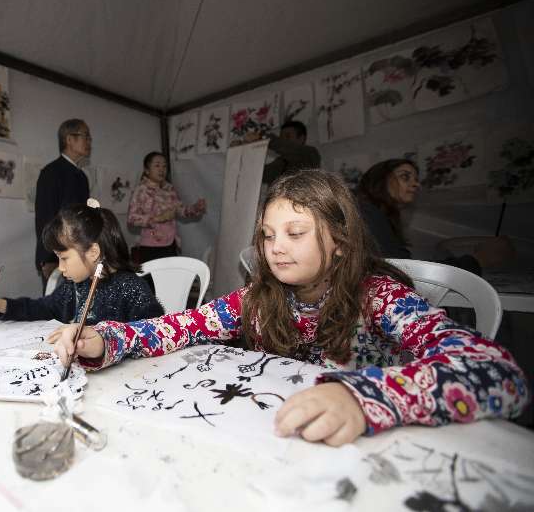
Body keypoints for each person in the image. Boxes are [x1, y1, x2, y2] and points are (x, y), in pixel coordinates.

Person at [49, 170, 528, 447]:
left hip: (373, 447)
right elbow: (181, 326)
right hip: (281, 439)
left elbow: (497, 372)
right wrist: (108, 338)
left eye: (295, 234)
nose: (276, 248)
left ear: (339, 242)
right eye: (268, 235)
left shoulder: (377, 296)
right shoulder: (258, 298)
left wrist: (363, 398)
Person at [0, 200, 164, 324]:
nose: (60, 267)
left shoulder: (131, 288)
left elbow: (153, 334)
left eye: (64, 258)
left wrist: (104, 340)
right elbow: (44, 307)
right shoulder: (73, 285)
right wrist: (4, 305)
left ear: (93, 252)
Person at [357, 159, 514, 275]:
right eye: (405, 176)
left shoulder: (378, 216)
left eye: (416, 179)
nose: (416, 184)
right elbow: (401, 271)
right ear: (380, 179)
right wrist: (477, 260)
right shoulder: (366, 211)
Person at [35, 119, 92, 291]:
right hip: (57, 257)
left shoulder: (81, 176)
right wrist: (49, 259)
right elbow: (45, 218)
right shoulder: (51, 173)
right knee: (56, 313)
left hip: (80, 255)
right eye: (85, 136)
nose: (89, 141)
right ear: (69, 139)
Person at [127, 151, 206, 263]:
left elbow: (181, 210)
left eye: (164, 166)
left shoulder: (169, 189)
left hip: (171, 243)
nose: (162, 169)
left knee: (171, 279)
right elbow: (132, 219)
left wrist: (195, 208)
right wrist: (158, 218)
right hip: (151, 246)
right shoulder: (141, 190)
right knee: (152, 280)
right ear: (147, 170)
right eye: (157, 165)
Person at [262, 120, 321, 186]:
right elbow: (261, 174)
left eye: (287, 136)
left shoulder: (309, 153)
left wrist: (264, 138)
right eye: (281, 137)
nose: (283, 140)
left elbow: (285, 146)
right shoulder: (281, 161)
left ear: (301, 138)